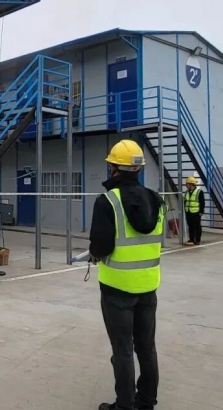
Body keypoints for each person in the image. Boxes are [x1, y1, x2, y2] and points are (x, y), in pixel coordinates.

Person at [86, 139, 165, 410]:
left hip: (117, 288)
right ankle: (146, 402)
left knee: (122, 350)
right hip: (148, 286)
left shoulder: (108, 201)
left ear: (113, 168)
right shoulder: (156, 200)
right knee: (147, 348)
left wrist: (94, 254)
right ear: (138, 169)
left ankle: (125, 405)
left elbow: (101, 247)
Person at [183, 176, 205, 246]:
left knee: (197, 226)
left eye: (187, 184)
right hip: (188, 212)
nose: (186, 185)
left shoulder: (199, 192)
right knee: (190, 226)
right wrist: (185, 210)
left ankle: (197, 240)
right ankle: (191, 239)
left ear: (191, 184)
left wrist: (201, 211)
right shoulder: (187, 192)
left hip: (196, 212)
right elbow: (185, 201)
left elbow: (202, 202)